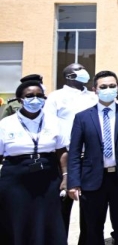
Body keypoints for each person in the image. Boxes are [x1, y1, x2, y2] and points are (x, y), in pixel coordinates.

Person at [67, 71, 118, 245]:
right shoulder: (82, 117)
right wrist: (73, 182)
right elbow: (74, 152)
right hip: (93, 180)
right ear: (94, 89)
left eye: (112, 86)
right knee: (92, 227)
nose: (108, 90)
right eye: (103, 87)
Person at [0, 80, 69, 245]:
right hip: (15, 179)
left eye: (39, 96)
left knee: (48, 221)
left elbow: (62, 151)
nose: (35, 99)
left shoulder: (54, 121)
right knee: (18, 221)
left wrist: (66, 176)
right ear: (20, 99)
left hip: (48, 177)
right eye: (29, 96)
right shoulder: (6, 123)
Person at [42, 63, 99, 238]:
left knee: (89, 210)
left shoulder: (93, 96)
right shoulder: (56, 97)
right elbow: (49, 126)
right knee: (62, 207)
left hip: (90, 157)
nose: (85, 71)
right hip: (65, 158)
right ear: (69, 76)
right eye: (79, 69)